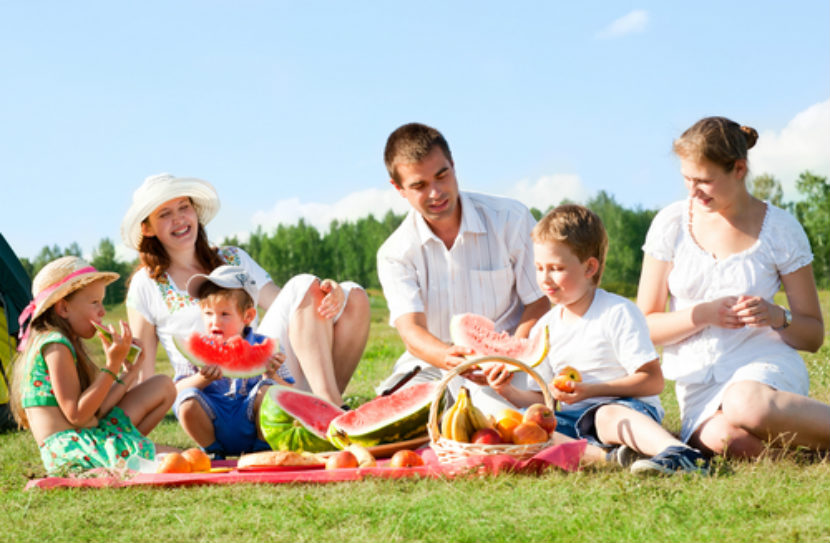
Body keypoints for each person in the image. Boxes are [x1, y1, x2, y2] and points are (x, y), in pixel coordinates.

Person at [637, 116, 829, 459]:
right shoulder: (671, 224)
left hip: (765, 369)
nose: (692, 191)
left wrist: (775, 316)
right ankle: (811, 452)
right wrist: (703, 315)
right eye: (686, 179)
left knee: (745, 403)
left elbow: (813, 336)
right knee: (726, 439)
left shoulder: (781, 229)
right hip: (699, 385)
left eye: (704, 181)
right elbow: (646, 325)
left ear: (739, 169)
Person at [483, 205, 709, 474]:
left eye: (555, 268)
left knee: (605, 415)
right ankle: (611, 458)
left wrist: (591, 391)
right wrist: (507, 390)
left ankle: (680, 454)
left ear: (590, 267)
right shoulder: (544, 327)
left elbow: (652, 380)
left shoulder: (617, 312)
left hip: (625, 409)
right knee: (528, 430)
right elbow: (543, 399)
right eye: (539, 267)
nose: (544, 278)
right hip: (572, 420)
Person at [123, 173, 370, 410]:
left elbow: (290, 301)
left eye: (183, 207)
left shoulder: (233, 258)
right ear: (148, 229)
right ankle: (331, 409)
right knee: (304, 283)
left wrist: (328, 290)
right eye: (165, 214)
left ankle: (322, 408)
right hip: (212, 398)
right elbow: (144, 377)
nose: (178, 219)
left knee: (353, 294)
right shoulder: (145, 284)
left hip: (270, 375)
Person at [375, 122, 550, 414]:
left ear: (453, 165)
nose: (436, 193)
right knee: (394, 416)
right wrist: (447, 356)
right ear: (399, 188)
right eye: (419, 185)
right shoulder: (395, 253)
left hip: (513, 365)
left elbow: (539, 300)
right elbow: (411, 330)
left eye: (442, 175)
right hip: (433, 365)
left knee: (508, 418)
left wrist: (509, 355)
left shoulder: (510, 218)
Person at [10, 256, 175, 474]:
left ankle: (130, 450)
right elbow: (78, 416)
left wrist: (129, 373)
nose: (102, 312)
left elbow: (94, 414)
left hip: (86, 435)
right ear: (64, 308)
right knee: (178, 458)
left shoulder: (65, 342)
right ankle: (129, 455)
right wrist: (112, 365)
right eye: (95, 302)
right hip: (73, 449)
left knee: (163, 385)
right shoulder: (55, 345)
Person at [174, 265, 291, 458]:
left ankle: (263, 448)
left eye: (224, 314)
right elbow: (176, 391)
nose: (214, 322)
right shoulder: (192, 353)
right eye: (208, 313)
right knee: (187, 402)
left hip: (255, 427)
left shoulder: (267, 347)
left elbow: (289, 394)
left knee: (269, 391)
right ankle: (212, 451)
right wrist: (202, 378)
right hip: (212, 425)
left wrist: (270, 374)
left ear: (248, 316)